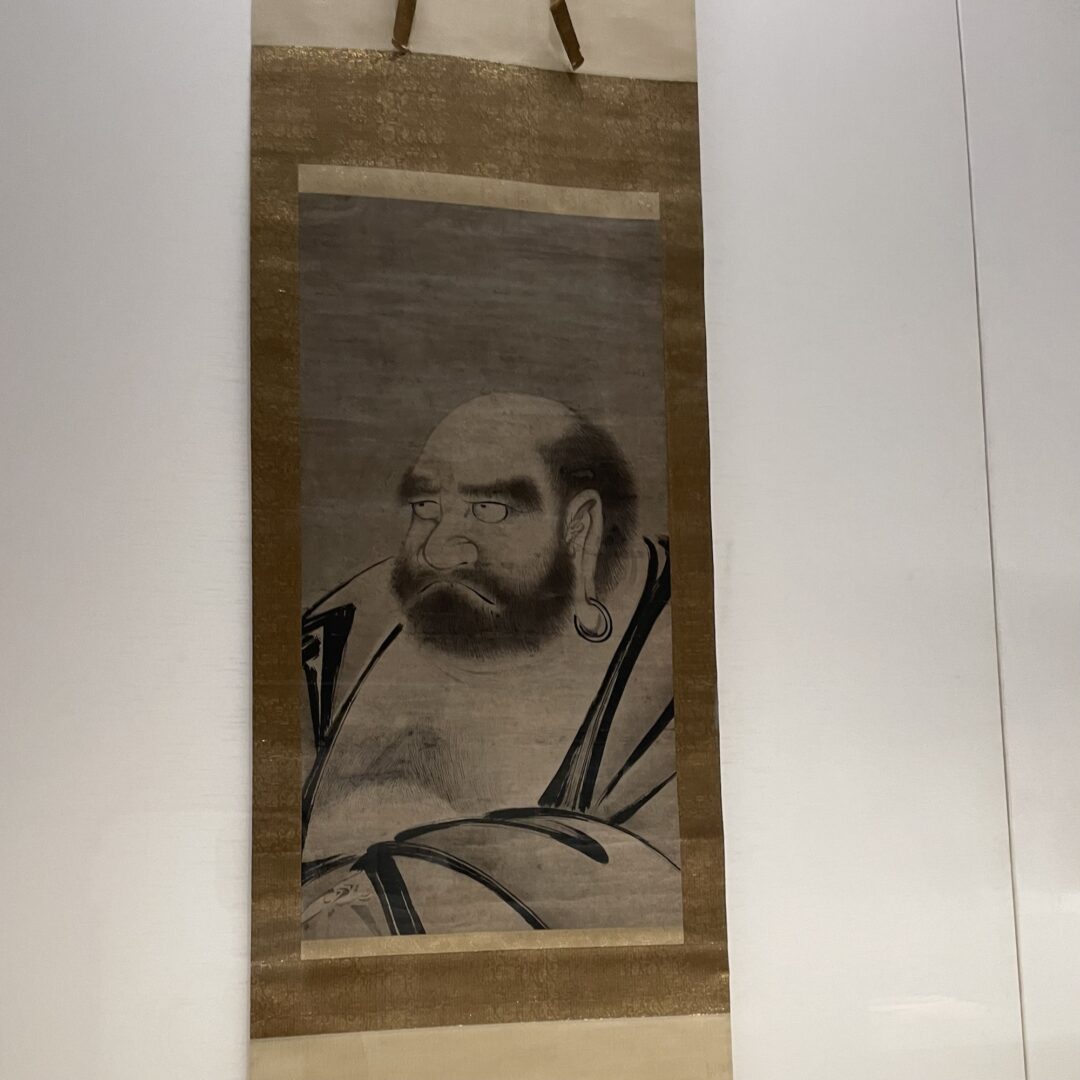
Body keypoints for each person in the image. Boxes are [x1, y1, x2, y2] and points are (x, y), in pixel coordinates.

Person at [300, 393, 681, 938]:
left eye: (491, 510)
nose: (438, 550)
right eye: (426, 508)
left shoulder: (677, 671)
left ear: (579, 528)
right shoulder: (346, 628)